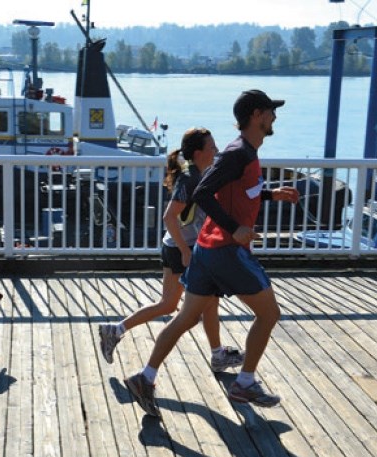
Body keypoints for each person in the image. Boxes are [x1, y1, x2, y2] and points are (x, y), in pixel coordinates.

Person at [124, 90, 299, 417]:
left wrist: (272, 195)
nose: (275, 117)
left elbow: (236, 191)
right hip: (225, 251)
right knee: (269, 313)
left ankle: (144, 377)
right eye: (271, 112)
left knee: (187, 317)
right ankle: (245, 381)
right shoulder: (237, 153)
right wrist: (234, 228)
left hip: (206, 250)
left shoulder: (245, 154)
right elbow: (204, 192)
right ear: (257, 115)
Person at [97, 128, 245, 372]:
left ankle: (116, 330)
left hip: (177, 246)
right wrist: (186, 252)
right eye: (212, 147)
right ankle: (213, 355)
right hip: (182, 249)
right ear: (198, 153)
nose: (216, 151)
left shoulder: (197, 173)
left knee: (191, 304)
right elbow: (169, 216)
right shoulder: (190, 179)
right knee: (189, 306)